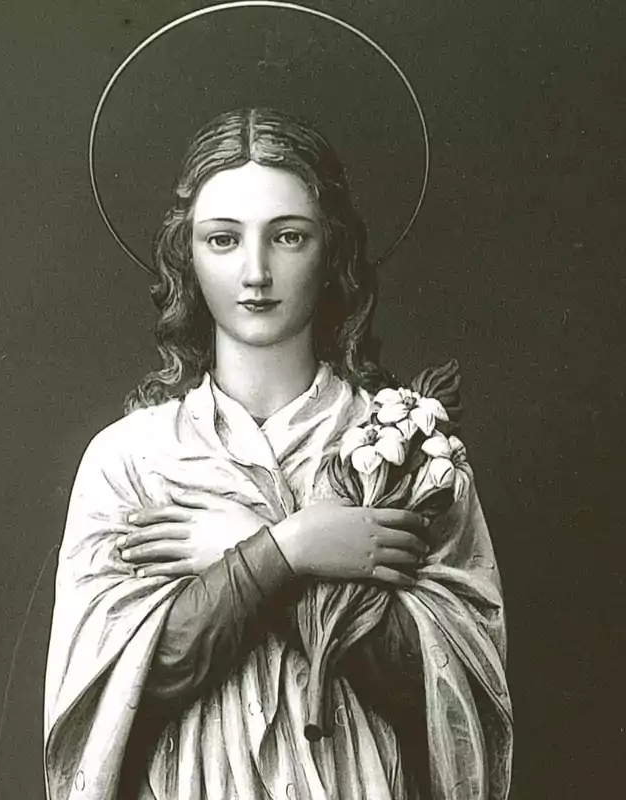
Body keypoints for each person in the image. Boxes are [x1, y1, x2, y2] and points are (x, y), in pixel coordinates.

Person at [44, 108, 511, 799]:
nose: (256, 271)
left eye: (288, 236)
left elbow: (443, 696)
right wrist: (287, 548)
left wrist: (242, 548)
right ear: (186, 256)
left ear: (332, 252)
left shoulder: (408, 450)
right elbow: (130, 685)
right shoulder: (129, 461)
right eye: (223, 239)